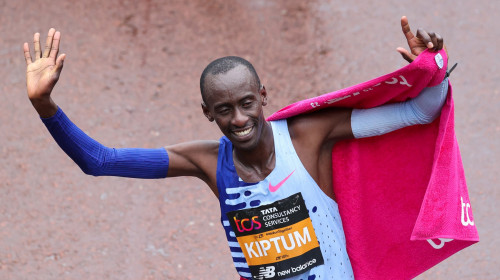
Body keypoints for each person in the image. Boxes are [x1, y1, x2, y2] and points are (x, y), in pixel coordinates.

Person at [23, 16, 448, 280]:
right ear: (208, 113)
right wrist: (45, 105)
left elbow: (420, 112)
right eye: (224, 110)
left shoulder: (307, 136)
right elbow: (99, 161)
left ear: (263, 96)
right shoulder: (207, 162)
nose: (239, 119)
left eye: (246, 103)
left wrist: (433, 68)